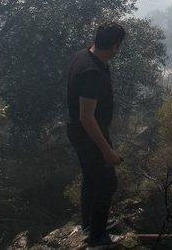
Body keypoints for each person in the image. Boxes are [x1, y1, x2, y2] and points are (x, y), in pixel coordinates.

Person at [67, 22, 125, 248]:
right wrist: (107, 150)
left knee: (91, 178)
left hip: (81, 132)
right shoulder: (92, 72)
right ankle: (97, 237)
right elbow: (86, 117)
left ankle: (89, 225)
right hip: (89, 134)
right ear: (115, 46)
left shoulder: (82, 56)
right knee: (106, 182)